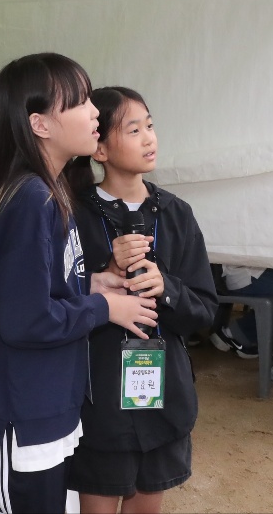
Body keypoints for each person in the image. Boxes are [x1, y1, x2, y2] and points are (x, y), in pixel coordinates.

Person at [0, 53, 157, 514]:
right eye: (80, 102)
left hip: (47, 402)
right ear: (41, 124)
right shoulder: (30, 199)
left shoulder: (51, 190)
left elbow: (44, 282)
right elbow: (25, 320)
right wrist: (106, 309)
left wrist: (94, 283)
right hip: (21, 415)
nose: (95, 112)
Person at [64, 86, 216, 514]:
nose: (150, 138)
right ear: (99, 148)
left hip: (163, 398)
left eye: (150, 125)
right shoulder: (73, 215)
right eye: (134, 129)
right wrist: (106, 271)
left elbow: (204, 310)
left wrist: (166, 286)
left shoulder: (176, 213)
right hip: (99, 403)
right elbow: (55, 305)